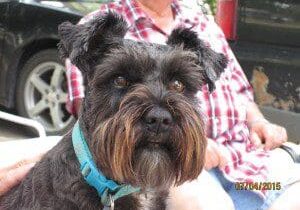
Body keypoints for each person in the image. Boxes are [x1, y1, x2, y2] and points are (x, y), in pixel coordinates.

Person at [1, 0, 300, 209]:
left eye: (179, 85)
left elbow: (240, 90)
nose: (159, 112)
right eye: (121, 81)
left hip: (244, 165)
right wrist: (200, 144)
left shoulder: (203, 24)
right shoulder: (100, 25)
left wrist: (259, 122)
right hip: (188, 174)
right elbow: (90, 113)